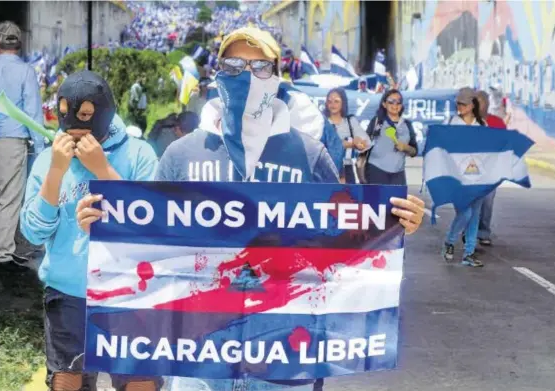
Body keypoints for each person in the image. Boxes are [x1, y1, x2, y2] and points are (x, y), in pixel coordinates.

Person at [76, 26, 425, 391]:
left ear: (276, 78)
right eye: (234, 64)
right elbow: (151, 239)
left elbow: (343, 234)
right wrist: (108, 227)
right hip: (198, 360)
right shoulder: (183, 154)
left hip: (281, 358)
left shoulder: (307, 154)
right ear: (218, 74)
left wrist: (393, 223)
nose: (247, 74)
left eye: (260, 66)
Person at [19, 70, 159, 391]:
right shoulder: (48, 160)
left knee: (140, 380)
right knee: (67, 381)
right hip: (69, 292)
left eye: (85, 116)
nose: (78, 128)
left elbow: (153, 223)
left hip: (129, 289)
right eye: (69, 116)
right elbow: (33, 233)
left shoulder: (139, 154)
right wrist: (56, 171)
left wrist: (103, 170)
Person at [0, 21, 45, 267]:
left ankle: (2, 246)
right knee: (10, 199)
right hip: (12, 142)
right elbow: (32, 111)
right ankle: (0, 254)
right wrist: (40, 148)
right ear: (19, 44)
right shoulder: (25, 72)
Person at [441, 87, 486, 268]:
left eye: (463, 103)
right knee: (465, 212)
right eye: (458, 103)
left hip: (479, 176)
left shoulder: (482, 125)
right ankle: (450, 241)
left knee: (474, 215)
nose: (460, 106)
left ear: (472, 105)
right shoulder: (452, 122)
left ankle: (469, 253)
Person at [473, 90, 507, 246]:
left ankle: (483, 232)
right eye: (478, 101)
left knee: (487, 202)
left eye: (483, 101)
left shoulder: (497, 123)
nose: (481, 104)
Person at [363, 89, 418, 185]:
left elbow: (414, 151)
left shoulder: (407, 124)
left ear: (401, 105)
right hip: (376, 170)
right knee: (377, 200)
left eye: (398, 102)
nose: (395, 105)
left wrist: (406, 148)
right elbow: (365, 144)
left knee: (398, 200)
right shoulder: (377, 121)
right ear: (384, 104)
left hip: (398, 173)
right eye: (391, 102)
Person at [323, 88, 370, 183]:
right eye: (330, 101)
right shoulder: (321, 122)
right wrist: (344, 144)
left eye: (336, 101)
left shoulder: (350, 121)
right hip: (325, 169)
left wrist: (357, 142)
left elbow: (366, 143)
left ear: (343, 103)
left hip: (347, 170)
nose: (333, 104)